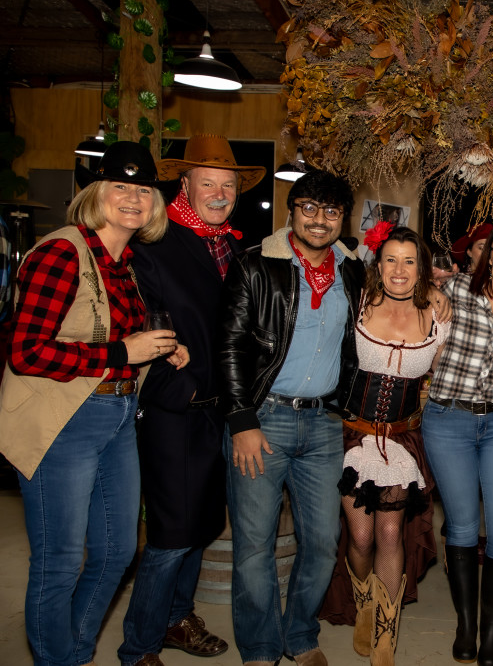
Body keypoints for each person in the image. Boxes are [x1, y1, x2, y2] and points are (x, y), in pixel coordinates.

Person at [0, 141, 189, 666]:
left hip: (119, 415)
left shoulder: (123, 262)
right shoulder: (61, 253)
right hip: (64, 419)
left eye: (143, 190)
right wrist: (123, 352)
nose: (133, 198)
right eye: (120, 186)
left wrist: (161, 348)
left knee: (115, 553)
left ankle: (76, 653)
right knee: (60, 561)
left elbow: (116, 335)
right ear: (95, 193)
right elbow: (26, 352)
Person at [117, 133, 264, 666]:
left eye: (229, 185)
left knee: (200, 526)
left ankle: (177, 618)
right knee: (171, 533)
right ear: (185, 184)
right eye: (208, 183)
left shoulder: (232, 247)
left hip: (218, 411)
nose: (220, 193)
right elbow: (136, 323)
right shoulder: (154, 244)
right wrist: (183, 384)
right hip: (175, 409)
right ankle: (139, 645)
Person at [219, 170, 365, 666]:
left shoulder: (352, 271)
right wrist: (241, 420)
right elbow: (230, 346)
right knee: (254, 546)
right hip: (263, 420)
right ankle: (260, 648)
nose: (319, 220)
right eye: (309, 208)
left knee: (323, 541)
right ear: (292, 210)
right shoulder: (255, 265)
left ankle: (299, 634)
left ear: (343, 218)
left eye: (331, 211)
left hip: (324, 425)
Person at [333, 224, 450, 666]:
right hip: (354, 436)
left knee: (388, 532)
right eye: (391, 260)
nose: (399, 270)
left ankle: (386, 627)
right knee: (361, 537)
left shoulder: (438, 315)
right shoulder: (358, 301)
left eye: (409, 261)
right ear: (377, 264)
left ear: (422, 269)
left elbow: (443, 374)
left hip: (402, 440)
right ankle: (363, 600)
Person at [422, 221, 493, 666]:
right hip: (448, 420)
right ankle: (466, 627)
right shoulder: (455, 294)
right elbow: (404, 286)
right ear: (487, 255)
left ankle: (492, 634)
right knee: (464, 527)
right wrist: (427, 289)